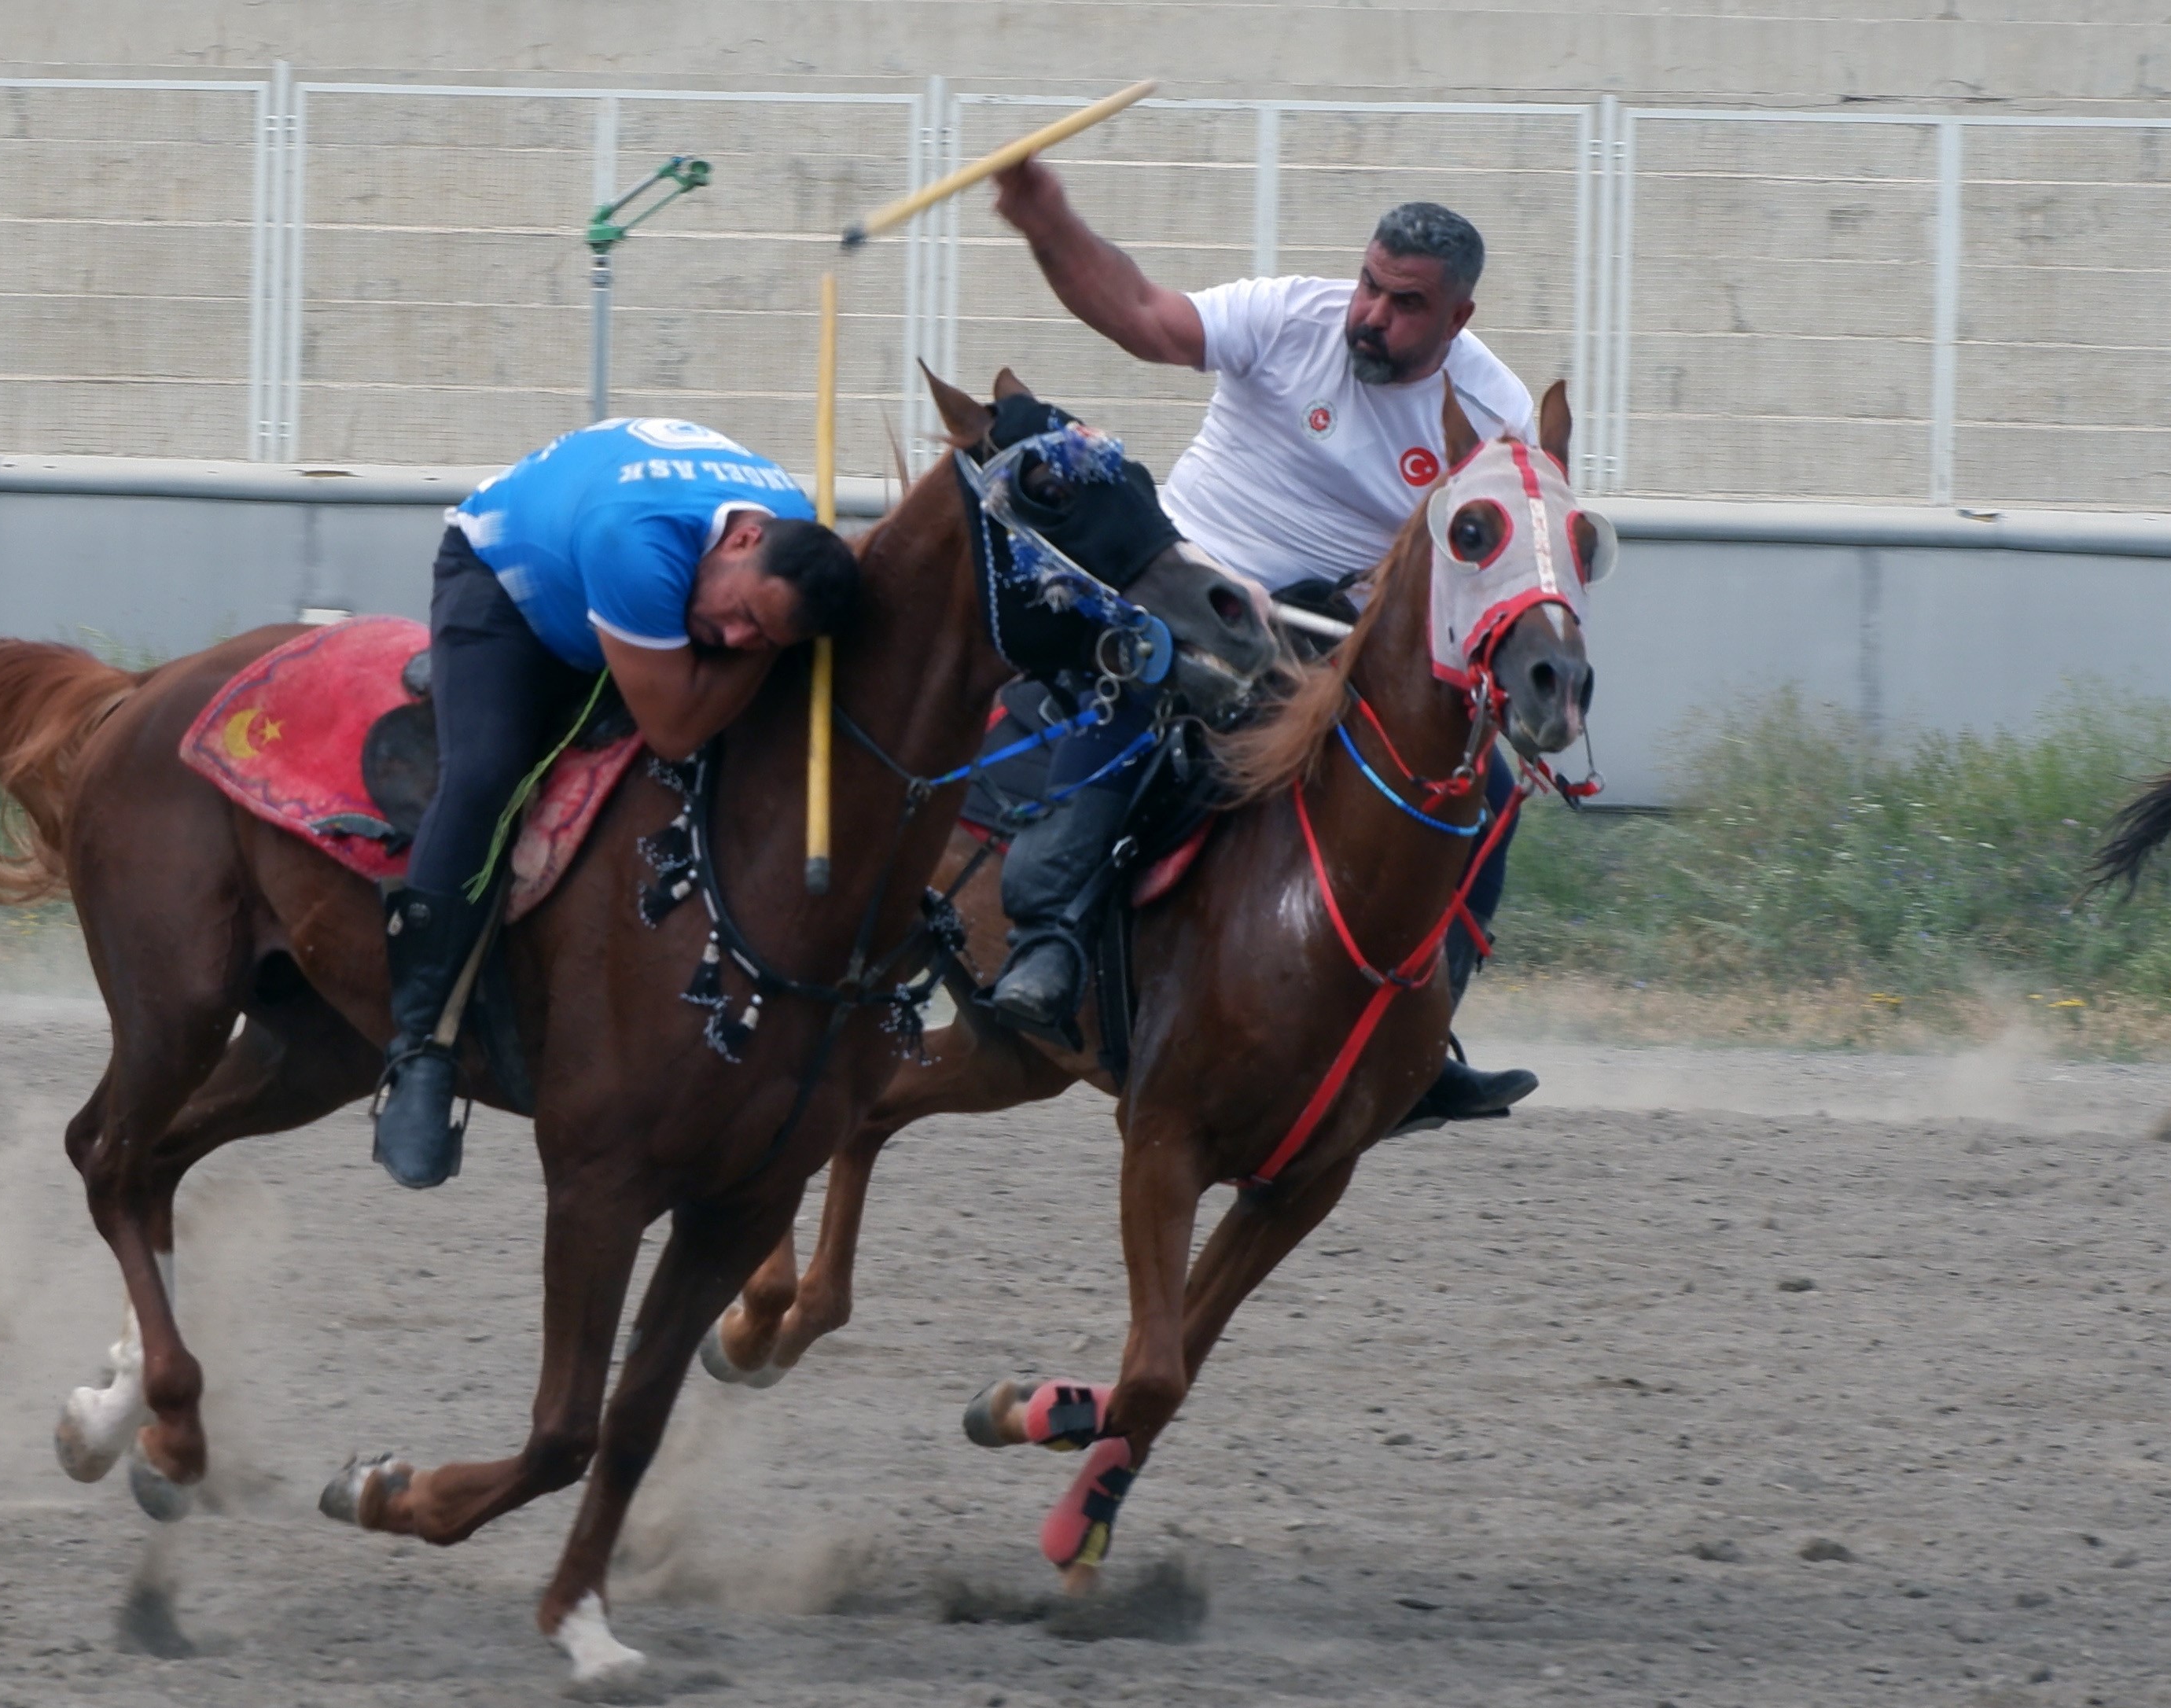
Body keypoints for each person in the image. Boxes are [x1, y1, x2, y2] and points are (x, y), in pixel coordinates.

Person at [983, 163, 1539, 1126]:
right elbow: (1142, 314)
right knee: (1153, 677)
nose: (1370, 315)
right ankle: (1049, 940)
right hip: (1178, 578)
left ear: (1458, 317)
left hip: (1323, 638)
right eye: (1369, 284)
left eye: (1405, 304)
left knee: (1483, 790)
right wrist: (1047, 223)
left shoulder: (1494, 417)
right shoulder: (1290, 316)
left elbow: (1482, 567)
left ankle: (1417, 1032)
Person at [376, 417, 863, 1189]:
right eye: (743, 619)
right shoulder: (636, 546)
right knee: (486, 773)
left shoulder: (777, 536)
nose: (736, 638)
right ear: (741, 543)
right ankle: (419, 1052)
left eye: (757, 634)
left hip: (624, 577)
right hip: (504, 586)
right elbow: (674, 729)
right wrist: (772, 655)